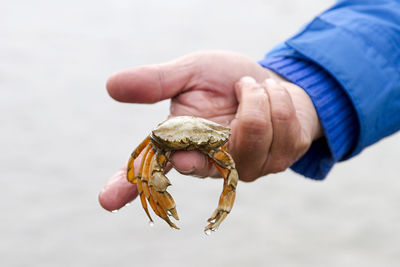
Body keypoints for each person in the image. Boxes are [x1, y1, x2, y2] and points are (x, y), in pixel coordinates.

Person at [99, 0, 400, 211]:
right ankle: (161, 210)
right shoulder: (154, 144)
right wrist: (313, 85)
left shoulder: (218, 139)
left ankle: (220, 212)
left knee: (229, 172)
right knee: (146, 176)